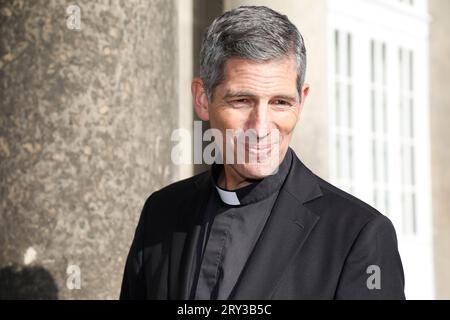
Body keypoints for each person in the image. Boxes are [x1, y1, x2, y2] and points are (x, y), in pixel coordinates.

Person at [120, 5, 405, 300]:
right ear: (203, 100)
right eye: (242, 100)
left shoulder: (358, 235)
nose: (261, 126)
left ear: (301, 101)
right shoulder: (161, 212)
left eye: (280, 102)